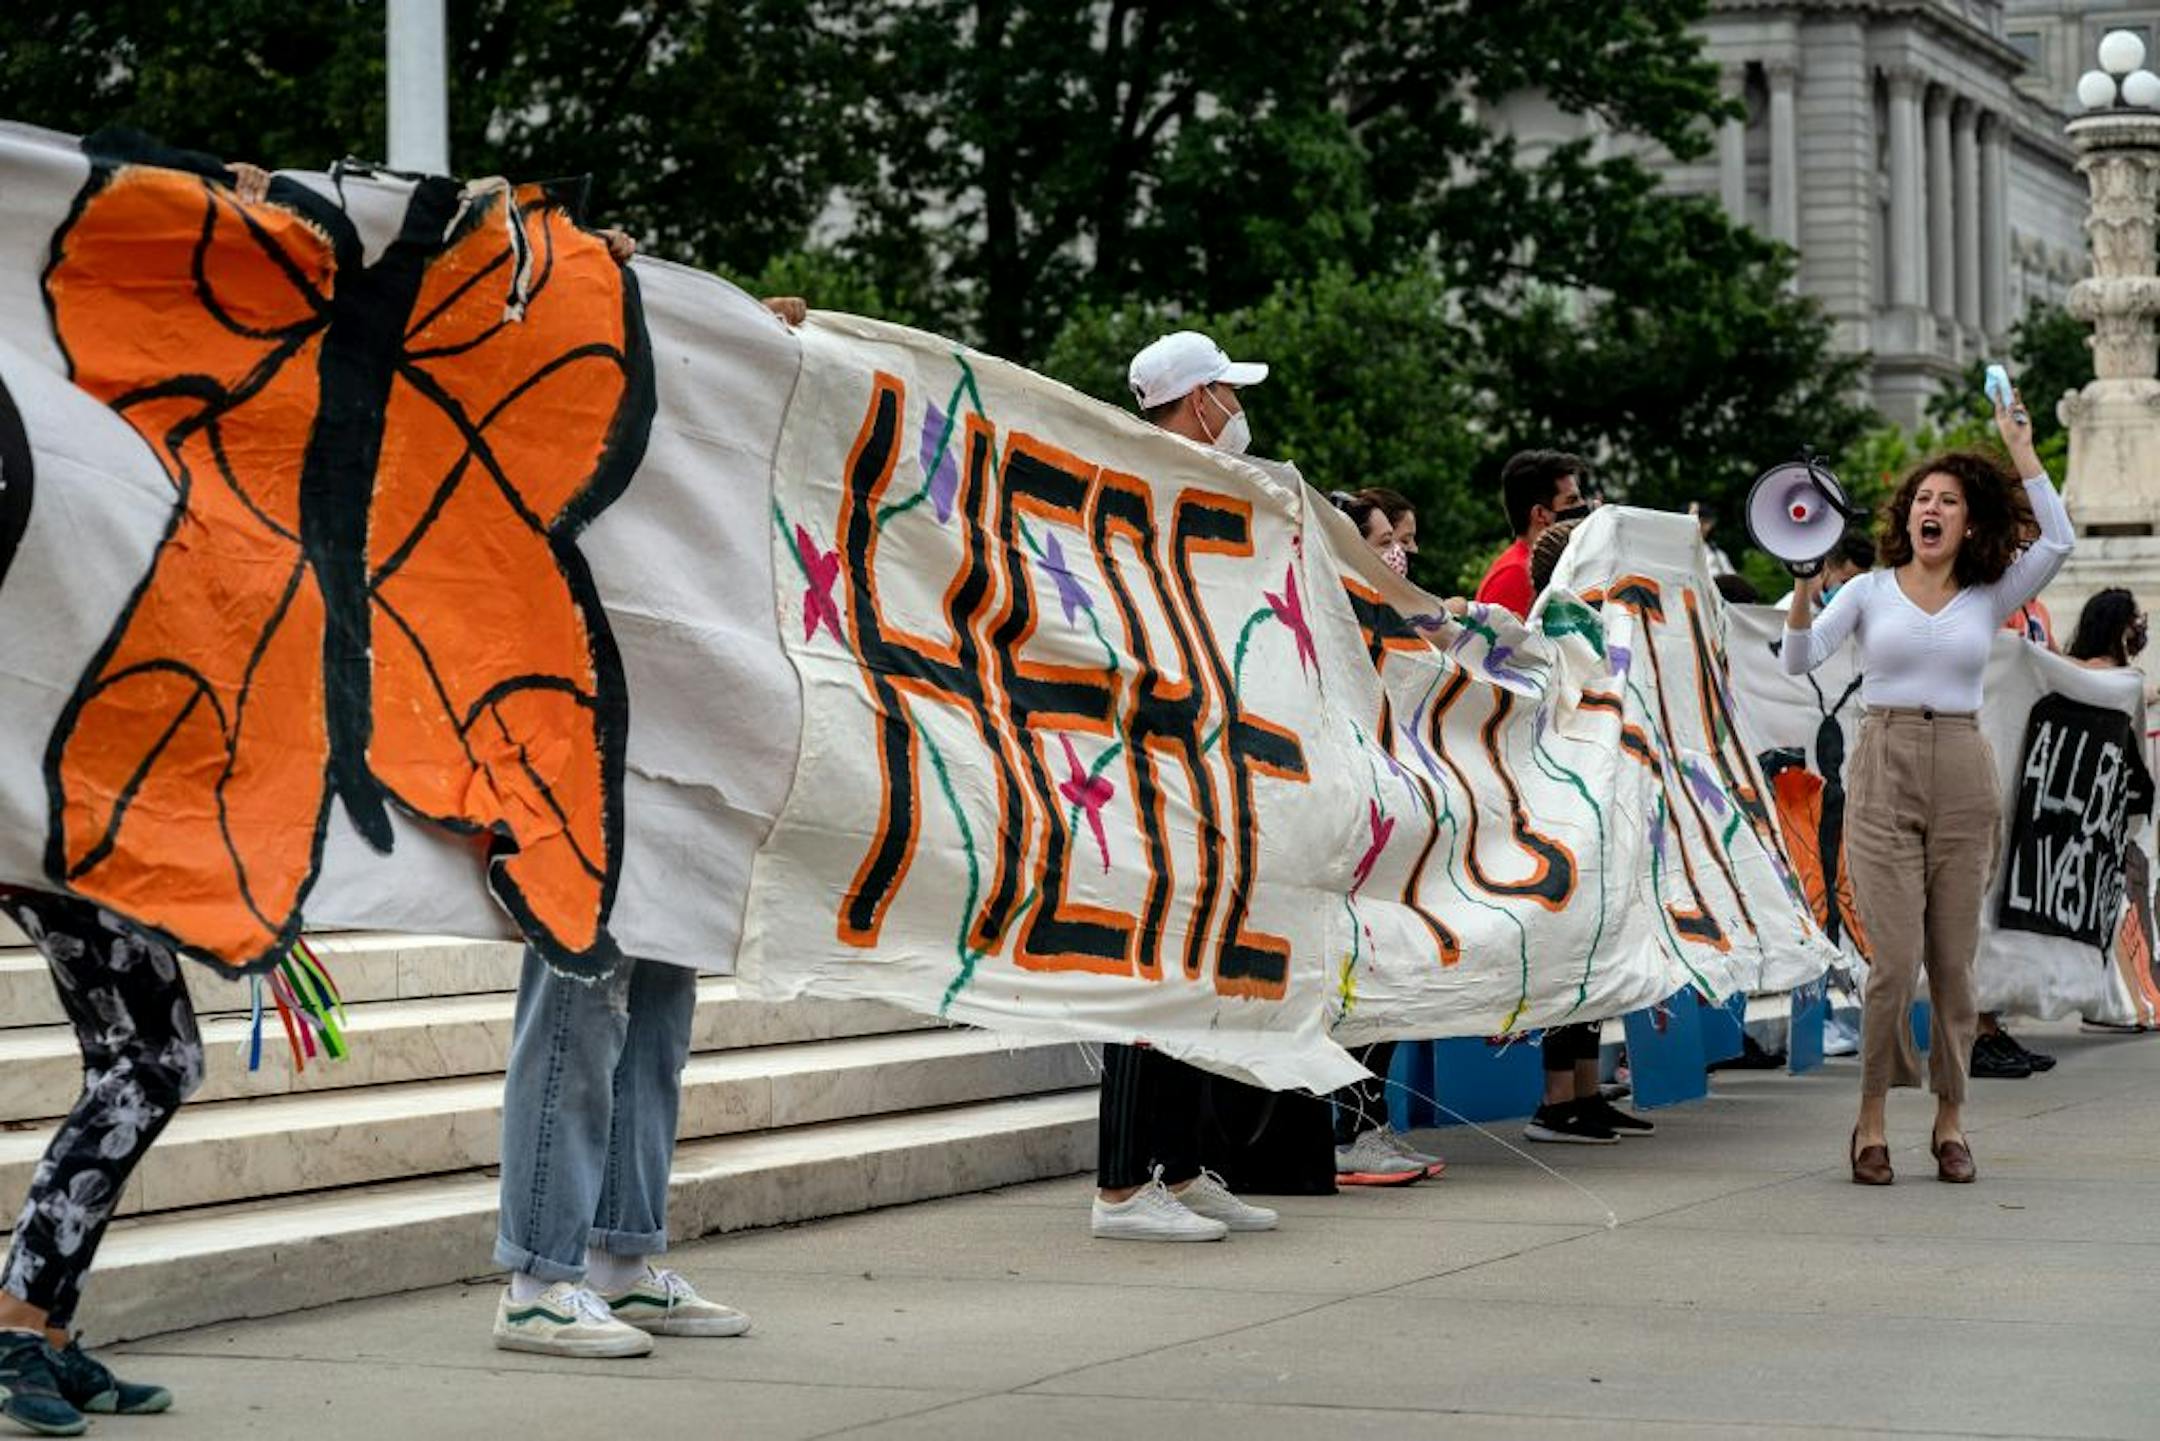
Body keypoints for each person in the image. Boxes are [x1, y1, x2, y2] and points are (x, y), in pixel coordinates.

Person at [490, 227, 770, 1354]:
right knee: (576, 1005)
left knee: (657, 1005)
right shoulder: (545, 419)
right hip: (575, 755)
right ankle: (538, 1278)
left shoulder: (665, 438)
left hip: (668, 747)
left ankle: (620, 1251)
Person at [1782, 377, 2073, 1185]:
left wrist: (2019, 444)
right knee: (1893, 959)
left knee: (1954, 963)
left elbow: (2058, 542)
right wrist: (1806, 587)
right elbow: (1797, 659)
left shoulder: (1988, 594)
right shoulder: (1869, 591)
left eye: (1947, 499)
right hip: (1885, 758)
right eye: (1921, 499)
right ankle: (1870, 1117)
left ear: (1966, 519)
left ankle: (1951, 1119)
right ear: (1906, 516)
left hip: (1963, 768)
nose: (1932, 509)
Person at [1085, 332, 1286, 1241]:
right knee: (1154, 969)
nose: (1237, 410)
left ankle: (1181, 1163)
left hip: (1203, 754)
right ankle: (1122, 1185)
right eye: (1226, 393)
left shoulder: (1203, 486)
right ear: (1199, 398)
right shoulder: (1135, 480)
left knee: (1202, 967)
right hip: (1149, 759)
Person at [1505, 517, 1657, 1144]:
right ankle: (1556, 1099)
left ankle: (1587, 1090)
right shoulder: (1550, 629)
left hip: (1597, 812)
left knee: (1598, 953)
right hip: (1564, 813)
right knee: (1570, 954)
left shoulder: (1591, 627)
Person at [1319, 488, 1446, 1186]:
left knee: (1385, 983)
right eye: (1388, 538)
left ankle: (1370, 1122)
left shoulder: (1386, 621)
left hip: (1385, 824)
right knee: (1358, 985)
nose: (1401, 552)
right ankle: (1352, 1127)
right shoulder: (1339, 620)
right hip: (1349, 829)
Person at [2067, 589, 2157, 1037]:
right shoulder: (2121, 679)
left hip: (2082, 804)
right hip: (2110, 806)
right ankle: (2119, 1002)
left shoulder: (2072, 672)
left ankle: (2116, 1000)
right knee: (2116, 902)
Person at [1475, 452, 1592, 617]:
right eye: (1571, 501)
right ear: (1540, 514)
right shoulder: (1514, 576)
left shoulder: (1555, 563)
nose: (1583, 507)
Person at [1776, 532, 1876, 611]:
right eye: (1846, 582)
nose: (1852, 591)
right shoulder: (1786, 611)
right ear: (1824, 569)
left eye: (1860, 585)